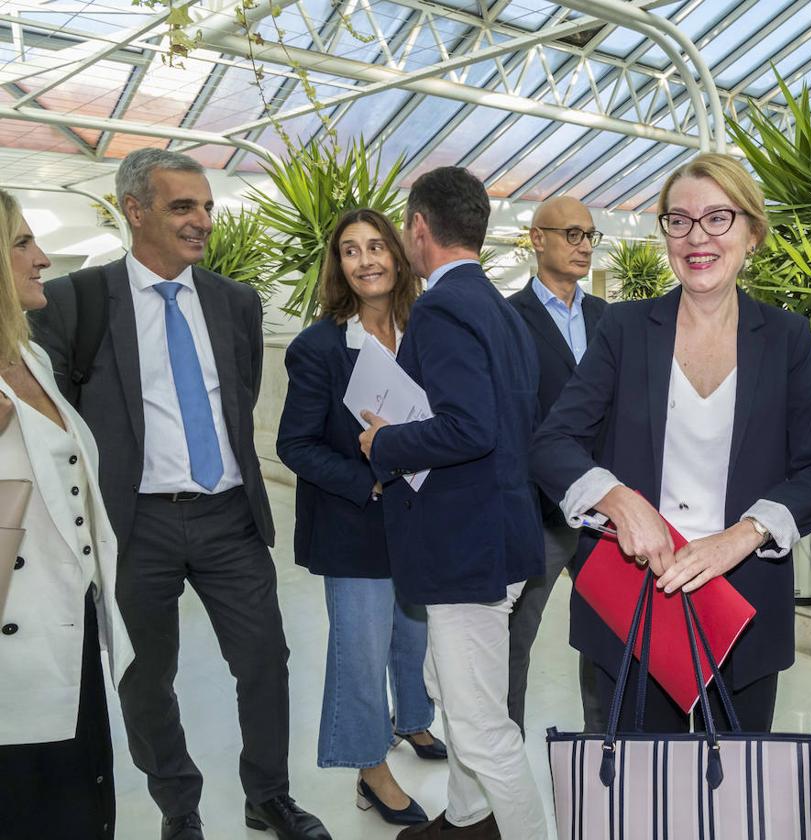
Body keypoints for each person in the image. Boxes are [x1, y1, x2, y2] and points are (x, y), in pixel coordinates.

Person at [29, 149, 329, 840]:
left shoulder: (235, 302)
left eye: (207, 207)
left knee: (264, 661)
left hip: (228, 516)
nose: (202, 221)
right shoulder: (80, 301)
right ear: (136, 211)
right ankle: (179, 807)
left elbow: (241, 395)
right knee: (145, 676)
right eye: (182, 207)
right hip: (136, 524)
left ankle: (269, 796)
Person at [530, 152, 811, 733]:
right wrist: (621, 502)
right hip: (636, 602)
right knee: (638, 799)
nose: (697, 237)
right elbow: (553, 442)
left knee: (732, 803)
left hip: (740, 605)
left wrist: (742, 537)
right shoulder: (624, 331)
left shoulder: (786, 338)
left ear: (752, 232)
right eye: (680, 221)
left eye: (718, 218)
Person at [356, 166, 547, 840]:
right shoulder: (503, 309)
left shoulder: (441, 307)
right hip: (504, 537)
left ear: (417, 228)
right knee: (459, 688)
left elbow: (469, 427)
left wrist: (385, 442)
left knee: (478, 724)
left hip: (468, 548)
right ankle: (466, 820)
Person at [276, 208, 446, 827]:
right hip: (356, 518)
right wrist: (368, 479)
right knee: (361, 647)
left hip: (419, 513)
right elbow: (293, 445)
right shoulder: (319, 346)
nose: (367, 260)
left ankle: (415, 721)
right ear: (338, 266)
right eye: (351, 251)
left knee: (414, 631)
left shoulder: (425, 331)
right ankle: (370, 770)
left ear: (399, 256)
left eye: (378, 246)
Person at [0, 189, 133, 840]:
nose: (42, 258)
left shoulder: (33, 358)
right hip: (11, 656)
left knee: (86, 805)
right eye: (22, 243)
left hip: (71, 621)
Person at [506, 195, 607, 735]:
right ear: (536, 239)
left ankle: (603, 751)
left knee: (603, 638)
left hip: (601, 512)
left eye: (590, 235)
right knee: (516, 638)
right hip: (539, 510)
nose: (584, 245)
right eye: (572, 234)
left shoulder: (607, 319)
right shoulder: (509, 319)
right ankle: (504, 763)